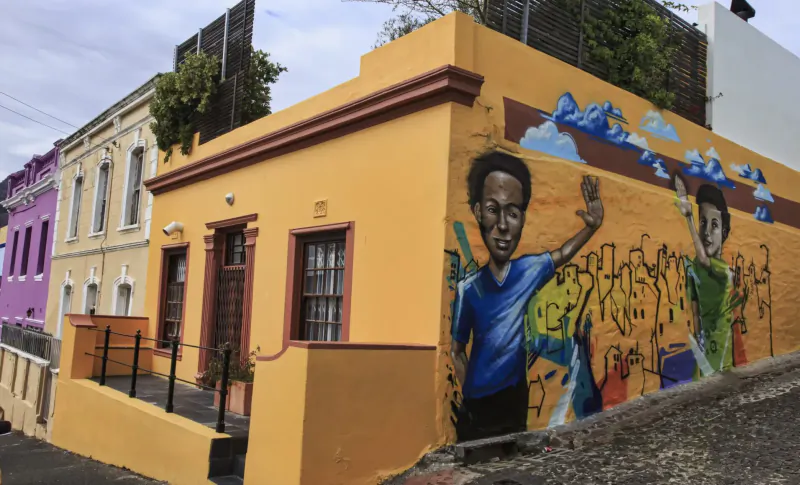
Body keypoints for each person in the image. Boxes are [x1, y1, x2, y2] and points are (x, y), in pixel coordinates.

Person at [450, 151, 604, 440]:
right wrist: (469, 396)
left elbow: (562, 254)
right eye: (494, 210)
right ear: (478, 212)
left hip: (514, 399)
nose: (504, 226)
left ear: (523, 218)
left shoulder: (528, 270)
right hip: (477, 408)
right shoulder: (468, 289)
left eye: (513, 213)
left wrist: (591, 227)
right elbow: (457, 351)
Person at [674, 174, 742, 373]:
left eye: (714, 225)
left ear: (725, 232)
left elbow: (704, 260)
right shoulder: (693, 266)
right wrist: (697, 339)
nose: (706, 232)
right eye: (703, 222)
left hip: (721, 358)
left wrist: (688, 216)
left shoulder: (722, 269)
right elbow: (694, 310)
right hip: (703, 361)